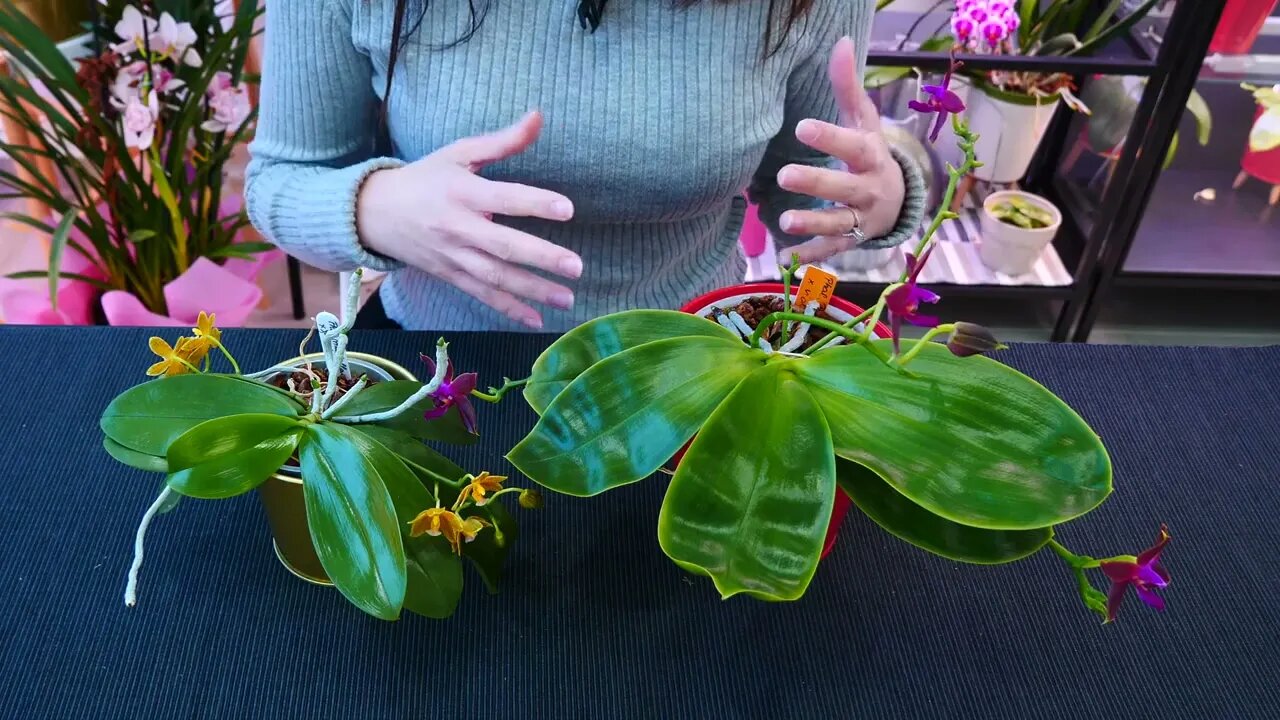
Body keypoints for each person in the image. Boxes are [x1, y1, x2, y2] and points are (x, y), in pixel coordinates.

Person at [246, 0, 926, 332]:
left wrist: (878, 198)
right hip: (440, 365)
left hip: (695, 367)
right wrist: (378, 209)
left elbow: (808, 185)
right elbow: (281, 181)